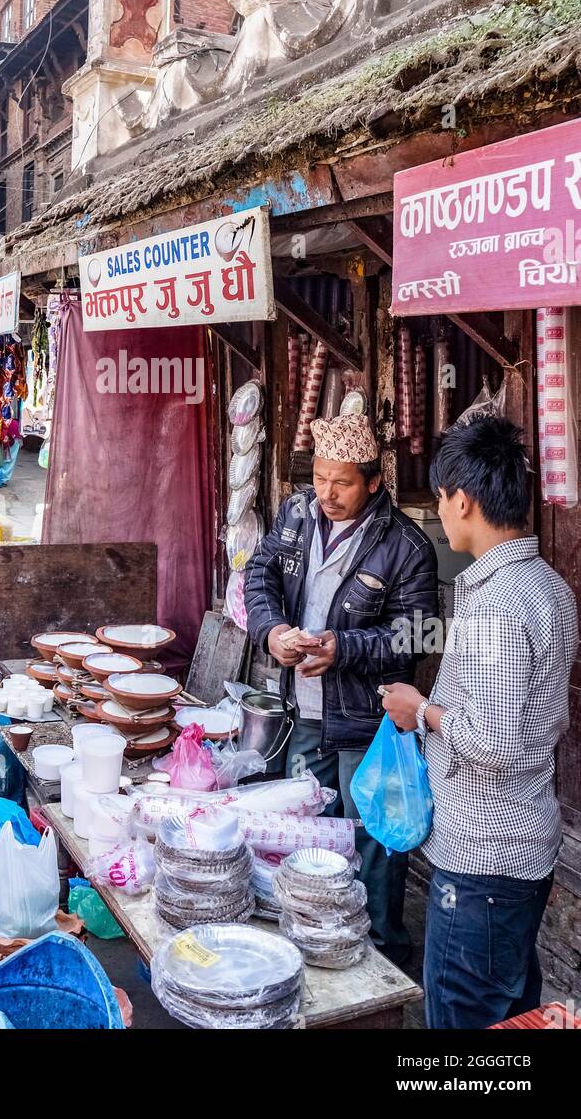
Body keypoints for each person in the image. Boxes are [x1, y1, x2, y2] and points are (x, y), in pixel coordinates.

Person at [381, 414, 577, 1028]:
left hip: (481, 862)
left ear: (461, 500)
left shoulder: (497, 602)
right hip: (522, 849)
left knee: (463, 1027)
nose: (440, 512)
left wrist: (423, 711)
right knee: (511, 1016)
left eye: (441, 499)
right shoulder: (548, 586)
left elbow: (493, 740)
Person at [244, 414, 438, 964]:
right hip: (302, 713)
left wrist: (343, 649)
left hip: (366, 723)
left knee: (371, 841)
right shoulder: (295, 515)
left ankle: (381, 962)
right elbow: (260, 577)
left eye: (343, 482)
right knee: (306, 834)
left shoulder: (406, 546)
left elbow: (417, 635)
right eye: (321, 479)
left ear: (374, 481)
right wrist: (273, 631)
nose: (327, 494)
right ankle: (313, 945)